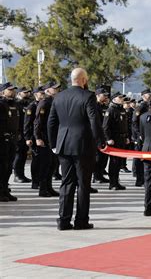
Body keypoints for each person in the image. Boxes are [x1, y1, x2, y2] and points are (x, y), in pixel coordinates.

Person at [47, 68, 105, 230]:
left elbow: (51, 122)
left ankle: (63, 220)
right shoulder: (88, 96)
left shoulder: (59, 97)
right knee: (83, 184)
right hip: (83, 145)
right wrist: (100, 141)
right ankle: (81, 220)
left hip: (63, 144)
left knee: (66, 183)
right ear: (84, 80)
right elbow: (94, 121)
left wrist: (53, 144)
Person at [34, 81, 61, 197]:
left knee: (53, 164)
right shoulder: (44, 103)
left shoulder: (55, 102)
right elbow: (37, 122)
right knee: (45, 165)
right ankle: (43, 189)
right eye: (54, 88)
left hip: (53, 138)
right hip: (44, 138)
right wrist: (38, 137)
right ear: (47, 90)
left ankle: (49, 187)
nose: (56, 90)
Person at [103, 92, 129, 190]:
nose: (122, 99)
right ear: (114, 99)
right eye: (120, 97)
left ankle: (116, 181)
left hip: (122, 139)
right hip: (114, 140)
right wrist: (108, 138)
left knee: (119, 162)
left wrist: (126, 136)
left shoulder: (121, 110)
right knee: (114, 162)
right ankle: (112, 183)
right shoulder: (111, 110)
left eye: (122, 97)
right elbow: (105, 127)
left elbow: (125, 125)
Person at [0, 82, 21, 201]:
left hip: (12, 139)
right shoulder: (1, 104)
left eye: (13, 89)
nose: (12, 91)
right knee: (2, 166)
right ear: (2, 92)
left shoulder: (14, 104)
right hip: (2, 140)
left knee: (8, 167)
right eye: (10, 90)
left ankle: (5, 190)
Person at [24, 86, 45, 189]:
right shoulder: (31, 107)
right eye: (41, 93)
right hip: (33, 136)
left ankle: (41, 180)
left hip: (42, 136)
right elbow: (27, 123)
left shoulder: (43, 104)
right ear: (36, 94)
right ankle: (35, 181)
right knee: (36, 160)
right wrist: (28, 137)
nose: (43, 95)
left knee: (42, 160)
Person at [132, 89, 151, 186]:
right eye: (149, 95)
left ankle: (144, 178)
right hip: (140, 137)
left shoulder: (149, 107)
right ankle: (139, 179)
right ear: (144, 96)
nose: (150, 97)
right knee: (139, 158)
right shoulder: (140, 107)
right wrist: (139, 134)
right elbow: (134, 122)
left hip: (147, 135)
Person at [13, 87, 32, 183]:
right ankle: (16, 175)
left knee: (24, 155)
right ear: (19, 93)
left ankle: (22, 174)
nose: (28, 94)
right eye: (25, 92)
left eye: (28, 92)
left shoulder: (27, 103)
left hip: (25, 132)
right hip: (19, 133)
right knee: (18, 155)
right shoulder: (17, 104)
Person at [92, 87, 110, 183]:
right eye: (104, 95)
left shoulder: (104, 106)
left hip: (103, 135)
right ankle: (96, 176)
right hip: (96, 136)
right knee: (98, 157)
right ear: (98, 95)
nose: (106, 97)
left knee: (104, 157)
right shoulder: (94, 106)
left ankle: (100, 174)